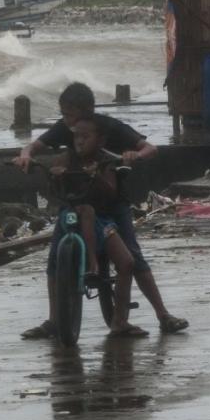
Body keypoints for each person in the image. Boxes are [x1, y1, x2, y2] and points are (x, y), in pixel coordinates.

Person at [13, 82, 188, 338]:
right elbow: (33, 147)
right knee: (54, 259)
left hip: (111, 204)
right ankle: (54, 321)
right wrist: (26, 156)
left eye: (71, 115)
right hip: (77, 202)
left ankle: (162, 315)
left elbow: (150, 148)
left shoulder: (109, 128)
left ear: (88, 111)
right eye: (64, 116)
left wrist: (134, 156)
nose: (69, 125)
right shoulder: (65, 128)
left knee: (133, 257)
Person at [49, 115, 140, 336]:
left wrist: (97, 176)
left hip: (101, 221)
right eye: (76, 137)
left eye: (86, 137)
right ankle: (91, 266)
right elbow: (54, 190)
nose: (80, 141)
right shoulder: (65, 158)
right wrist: (56, 176)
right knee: (54, 261)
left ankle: (120, 321)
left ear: (100, 140)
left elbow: (111, 191)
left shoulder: (105, 161)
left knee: (127, 263)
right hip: (71, 217)